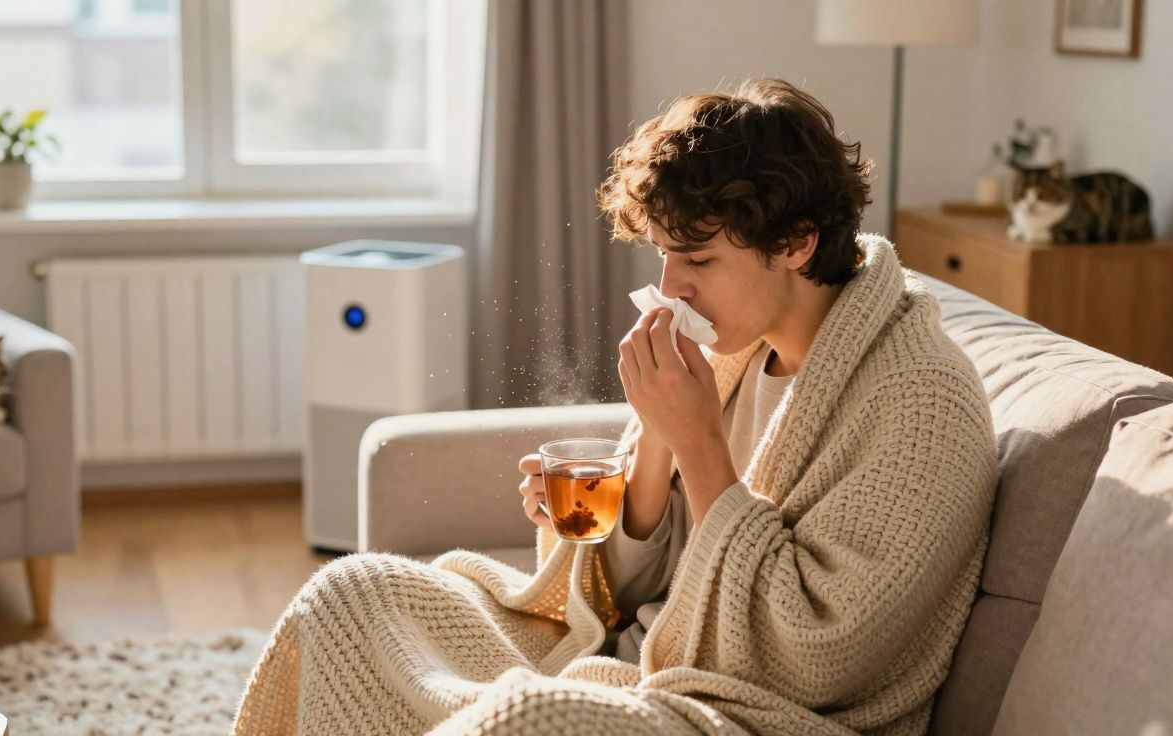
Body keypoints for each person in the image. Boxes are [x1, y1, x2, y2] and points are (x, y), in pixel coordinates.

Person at [234, 79, 998, 736]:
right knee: (353, 593)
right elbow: (634, 589)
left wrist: (698, 441)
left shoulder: (921, 401)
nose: (671, 290)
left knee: (529, 720)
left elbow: (813, 654)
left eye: (698, 260)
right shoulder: (735, 347)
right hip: (644, 661)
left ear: (796, 243)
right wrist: (655, 447)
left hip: (758, 715)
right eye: (663, 258)